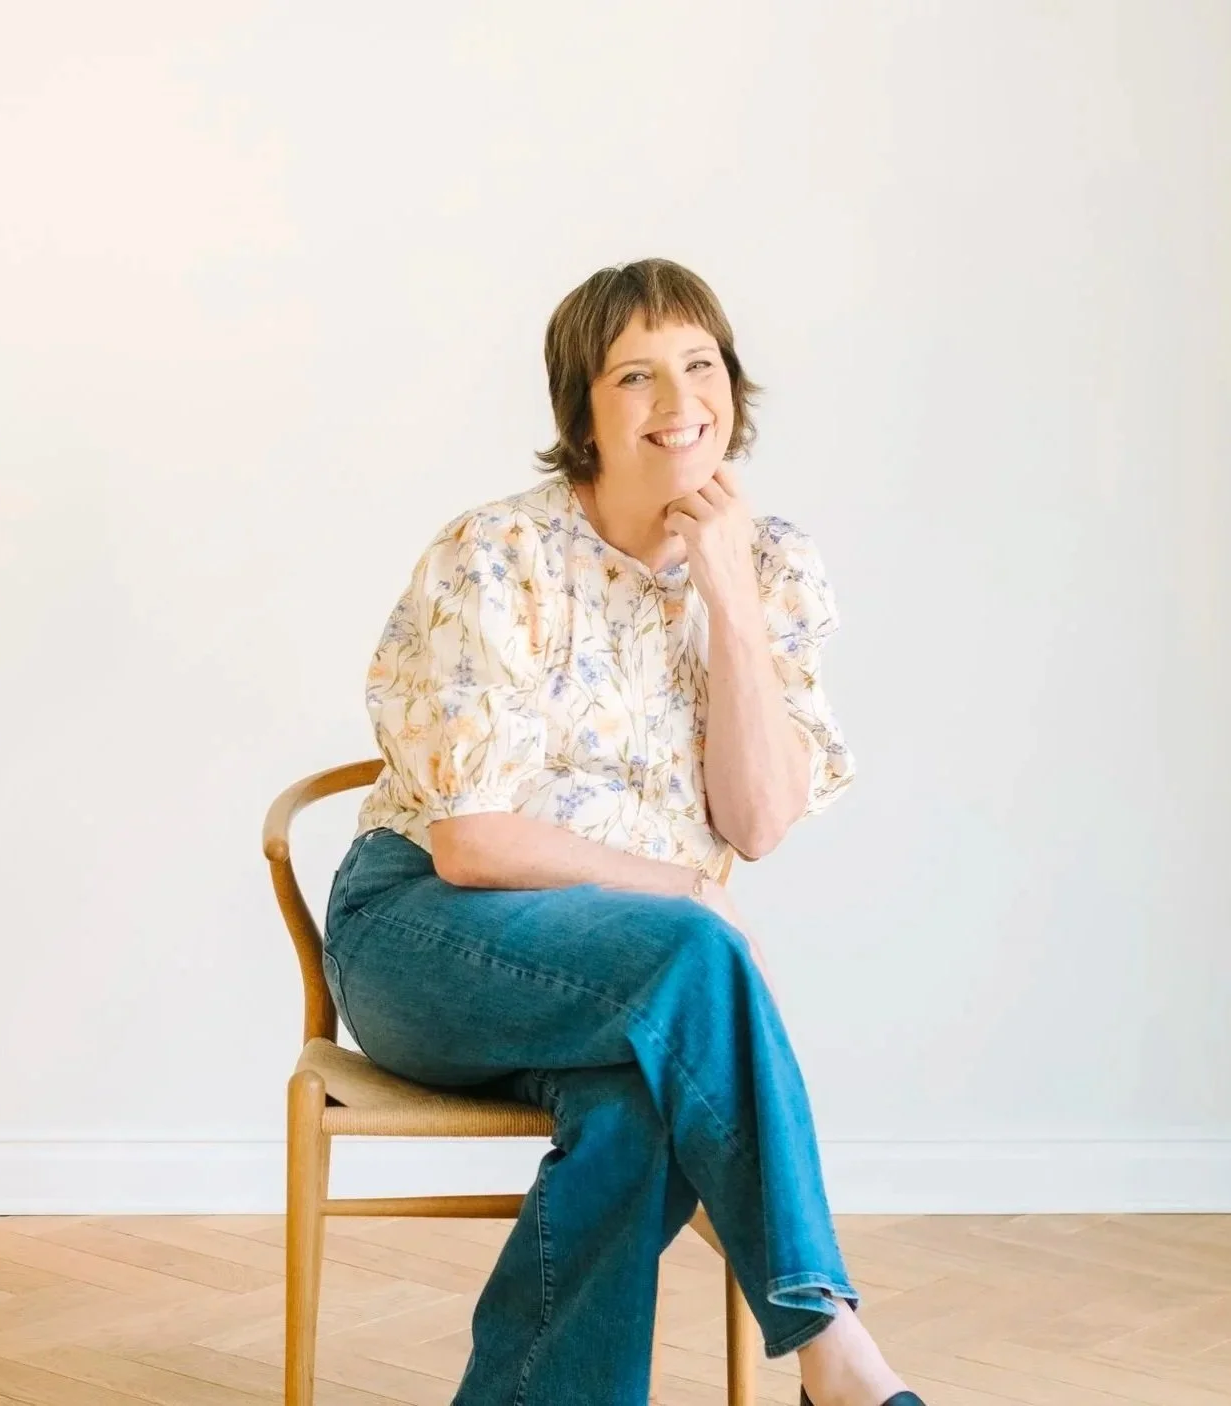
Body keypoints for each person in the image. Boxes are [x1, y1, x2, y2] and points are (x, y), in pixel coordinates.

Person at [322, 258, 924, 1406]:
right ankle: (828, 1340)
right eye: (634, 375)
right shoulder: (498, 554)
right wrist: (684, 893)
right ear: (582, 413)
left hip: (627, 980)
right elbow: (469, 844)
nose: (678, 400)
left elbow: (756, 819)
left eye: (699, 365)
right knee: (695, 948)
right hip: (420, 937)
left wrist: (728, 596)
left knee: (636, 1108)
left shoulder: (772, 564)